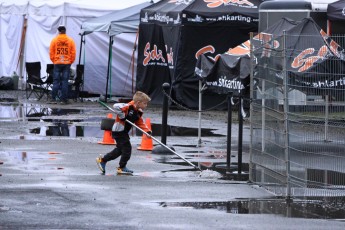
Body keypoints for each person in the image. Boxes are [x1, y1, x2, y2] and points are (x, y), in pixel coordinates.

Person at [96, 91, 152, 175]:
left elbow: (139, 122)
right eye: (145, 103)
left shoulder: (138, 111)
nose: (146, 105)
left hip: (124, 132)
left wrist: (147, 131)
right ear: (138, 102)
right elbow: (116, 106)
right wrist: (122, 115)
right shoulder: (128, 106)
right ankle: (121, 167)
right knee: (127, 149)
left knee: (119, 150)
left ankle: (103, 160)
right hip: (118, 131)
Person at [49, 25, 76, 104]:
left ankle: (53, 98)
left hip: (57, 63)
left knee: (56, 81)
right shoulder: (70, 40)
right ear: (65, 31)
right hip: (66, 63)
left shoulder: (54, 40)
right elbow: (73, 53)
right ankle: (63, 99)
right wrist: (70, 61)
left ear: (59, 31)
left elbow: (51, 52)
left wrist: (54, 60)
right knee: (65, 81)